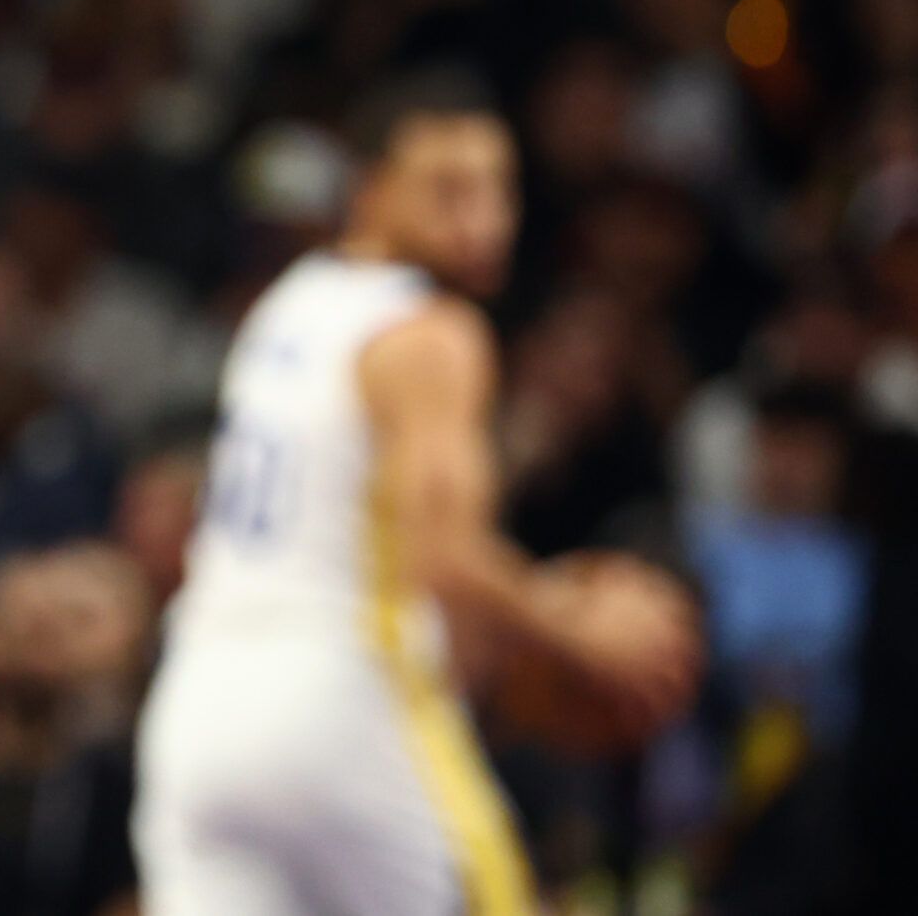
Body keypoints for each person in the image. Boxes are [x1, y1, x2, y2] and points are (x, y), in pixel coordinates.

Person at [134, 76, 702, 916]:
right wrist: (576, 627)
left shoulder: (288, 307)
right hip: (341, 696)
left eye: (497, 189)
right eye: (447, 188)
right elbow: (442, 554)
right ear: (369, 190)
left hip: (198, 705)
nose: (483, 219)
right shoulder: (434, 331)